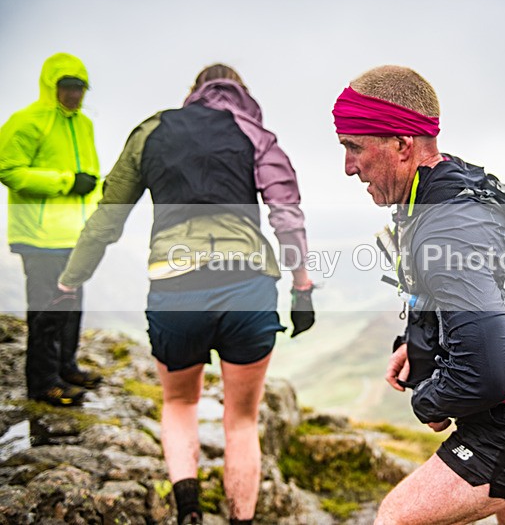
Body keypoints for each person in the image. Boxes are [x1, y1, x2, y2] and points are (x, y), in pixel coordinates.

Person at [333, 65, 505, 525]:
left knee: (394, 519)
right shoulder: (452, 184)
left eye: (354, 147)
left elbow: (487, 374)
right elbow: (484, 291)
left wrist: (428, 400)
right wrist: (416, 345)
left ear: (402, 144)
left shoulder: (445, 225)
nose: (349, 167)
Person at [58, 64, 315, 525]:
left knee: (180, 404)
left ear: (194, 91)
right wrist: (302, 288)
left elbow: (108, 214)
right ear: (243, 93)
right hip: (248, 286)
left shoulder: (152, 131)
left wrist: (72, 276)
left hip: (176, 285)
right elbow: (286, 214)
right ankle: (241, 520)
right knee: (242, 420)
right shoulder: (255, 134)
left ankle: (189, 512)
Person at [0, 52, 104, 406]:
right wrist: (65, 181)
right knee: (46, 311)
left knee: (71, 307)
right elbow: (8, 169)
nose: (74, 94)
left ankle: (66, 368)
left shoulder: (84, 125)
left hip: (75, 236)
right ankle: (43, 383)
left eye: (80, 87)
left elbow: (91, 179)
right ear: (51, 86)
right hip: (38, 237)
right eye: (67, 86)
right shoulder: (27, 121)